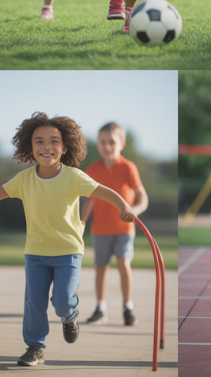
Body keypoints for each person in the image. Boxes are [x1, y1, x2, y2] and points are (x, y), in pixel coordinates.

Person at [0, 113, 135, 367]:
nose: (46, 147)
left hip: (68, 252)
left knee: (63, 301)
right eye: (39, 142)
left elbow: (103, 192)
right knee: (34, 303)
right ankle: (35, 347)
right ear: (29, 147)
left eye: (54, 141)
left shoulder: (74, 177)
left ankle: (70, 317)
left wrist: (124, 206)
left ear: (65, 147)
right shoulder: (24, 179)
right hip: (36, 252)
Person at [80, 122, 147, 325]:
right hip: (100, 229)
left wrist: (135, 210)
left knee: (123, 263)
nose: (107, 146)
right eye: (102, 142)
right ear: (98, 144)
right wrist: (81, 222)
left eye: (112, 142)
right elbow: (89, 200)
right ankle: (100, 308)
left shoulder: (128, 168)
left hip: (124, 228)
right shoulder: (92, 170)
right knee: (100, 267)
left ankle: (128, 306)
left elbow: (142, 197)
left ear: (122, 144)